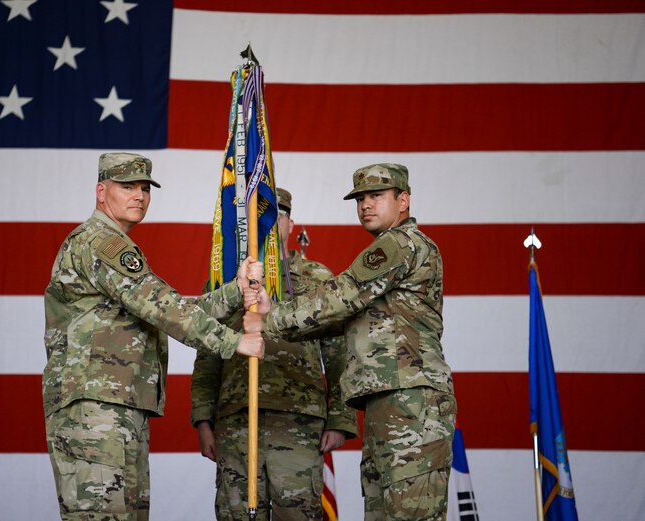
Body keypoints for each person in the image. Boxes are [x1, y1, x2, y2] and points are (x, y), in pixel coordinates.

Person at [42, 152, 265, 521]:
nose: (139, 196)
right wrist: (232, 342)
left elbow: (162, 307)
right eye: (127, 187)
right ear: (101, 191)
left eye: (145, 188)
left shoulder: (112, 245)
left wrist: (235, 292)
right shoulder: (101, 243)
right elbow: (161, 306)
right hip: (95, 408)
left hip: (116, 405)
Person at [245, 164, 456, 521]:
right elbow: (342, 318)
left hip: (411, 400)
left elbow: (341, 296)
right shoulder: (393, 252)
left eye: (376, 196)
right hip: (388, 401)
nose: (365, 205)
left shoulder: (400, 244)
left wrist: (267, 320)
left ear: (403, 200)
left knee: (410, 513)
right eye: (360, 198)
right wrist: (272, 317)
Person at [191, 187, 359, 521]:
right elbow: (208, 352)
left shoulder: (318, 278)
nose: (267, 223)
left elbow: (340, 352)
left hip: (299, 420)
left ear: (290, 223)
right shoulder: (228, 281)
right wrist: (203, 420)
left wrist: (341, 418)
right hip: (237, 420)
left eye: (275, 214)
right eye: (258, 216)